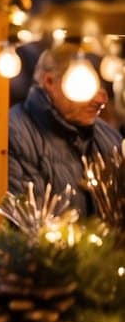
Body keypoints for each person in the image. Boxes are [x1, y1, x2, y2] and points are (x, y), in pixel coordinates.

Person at [8, 44, 122, 214]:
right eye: (86, 86)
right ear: (49, 82)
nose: (100, 100)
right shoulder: (15, 133)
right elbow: (27, 223)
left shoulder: (109, 137)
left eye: (101, 88)